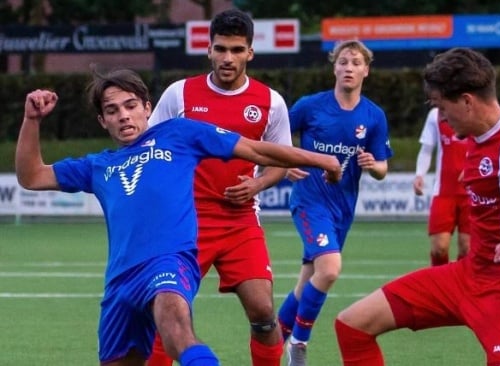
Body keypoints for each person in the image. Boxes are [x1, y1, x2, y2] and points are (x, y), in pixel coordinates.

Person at [14, 69, 342, 366]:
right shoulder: (98, 165)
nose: (124, 116)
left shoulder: (178, 133)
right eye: (112, 111)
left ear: (147, 107)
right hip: (120, 283)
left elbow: (257, 149)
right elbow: (32, 176)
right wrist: (32, 120)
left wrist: (320, 159)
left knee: (174, 324)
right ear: (103, 121)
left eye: (130, 106)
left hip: (169, 263)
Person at [334, 47, 500, 366]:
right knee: (352, 325)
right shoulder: (476, 139)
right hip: (468, 275)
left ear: (467, 100)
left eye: (442, 108)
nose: (441, 119)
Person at [146, 9, 292, 366]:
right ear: (208, 50)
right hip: (185, 223)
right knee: (169, 314)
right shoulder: (179, 94)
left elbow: (282, 160)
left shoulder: (270, 101)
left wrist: (257, 183)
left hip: (240, 223)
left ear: (250, 53)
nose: (228, 58)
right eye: (221, 49)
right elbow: (149, 148)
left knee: (263, 311)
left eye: (237, 50)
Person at [276, 39, 393, 366]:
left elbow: (383, 167)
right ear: (334, 67)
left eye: (356, 62)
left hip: (343, 209)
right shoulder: (310, 106)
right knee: (329, 269)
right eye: (343, 62)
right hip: (310, 201)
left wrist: (374, 166)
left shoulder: (373, 116)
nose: (349, 68)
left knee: (307, 282)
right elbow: (273, 138)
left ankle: (272, 343)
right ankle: (298, 342)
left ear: (365, 70)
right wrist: (283, 166)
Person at [413, 107, 470, 265]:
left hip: (472, 194)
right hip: (444, 192)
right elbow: (426, 148)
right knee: (439, 248)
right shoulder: (436, 114)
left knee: (467, 248)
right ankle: (440, 286)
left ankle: (462, 287)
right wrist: (420, 174)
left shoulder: (477, 111)